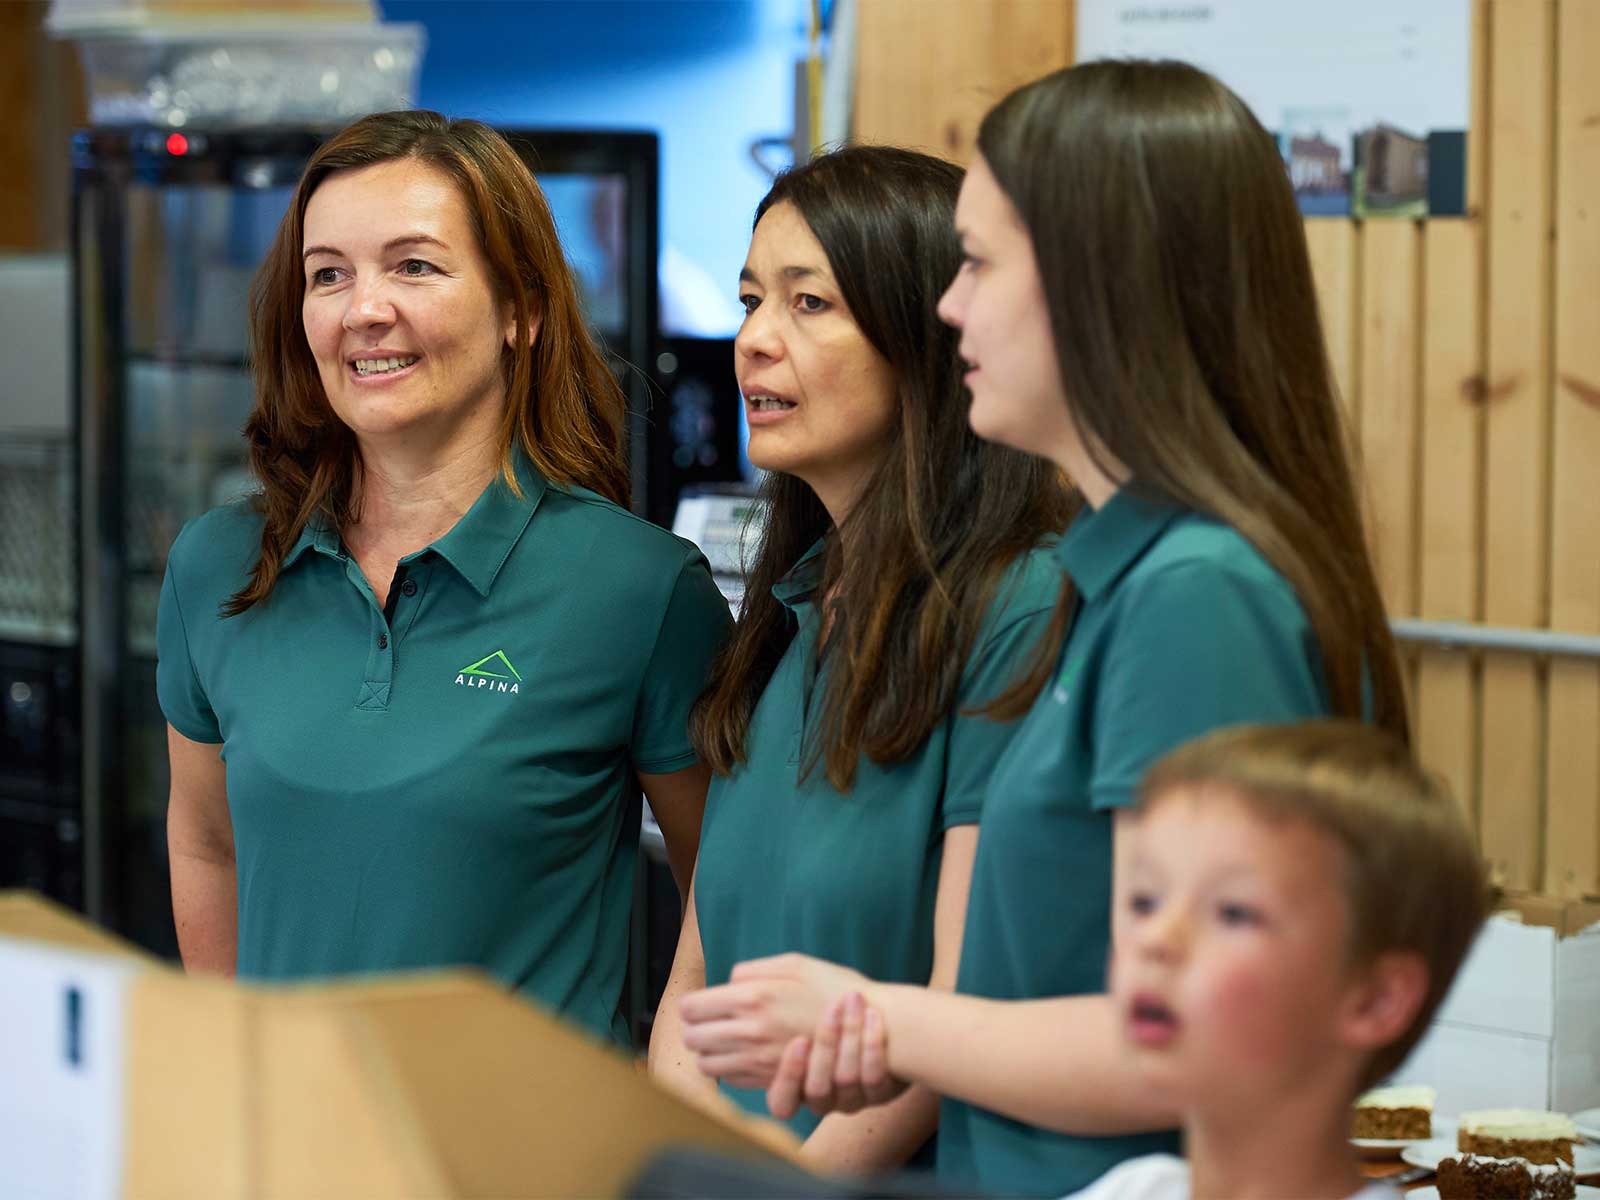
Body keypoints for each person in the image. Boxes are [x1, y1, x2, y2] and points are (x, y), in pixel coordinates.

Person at [677, 58, 1410, 1196]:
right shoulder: (1126, 578)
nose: (950, 308)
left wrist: (882, 1022)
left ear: (1100, 287)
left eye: (977, 264)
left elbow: (1210, 1040)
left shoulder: (1196, 594)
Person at [157, 110, 731, 1048]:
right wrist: (237, 1073)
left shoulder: (641, 590)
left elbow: (728, 897)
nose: (362, 309)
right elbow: (205, 844)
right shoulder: (217, 566)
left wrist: (665, 1091)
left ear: (521, 309)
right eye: (328, 274)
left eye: (413, 266)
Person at [647, 144, 1071, 1174]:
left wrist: (781, 1189)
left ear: (933, 338)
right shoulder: (785, 611)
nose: (753, 340)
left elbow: (963, 1006)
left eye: (809, 304)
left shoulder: (1019, 605)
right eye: (751, 301)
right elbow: (697, 982)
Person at [1070, 720, 1487, 1200]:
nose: (1154, 939)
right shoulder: (1133, 1189)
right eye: (1144, 902)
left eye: (1233, 912)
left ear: (1374, 999)